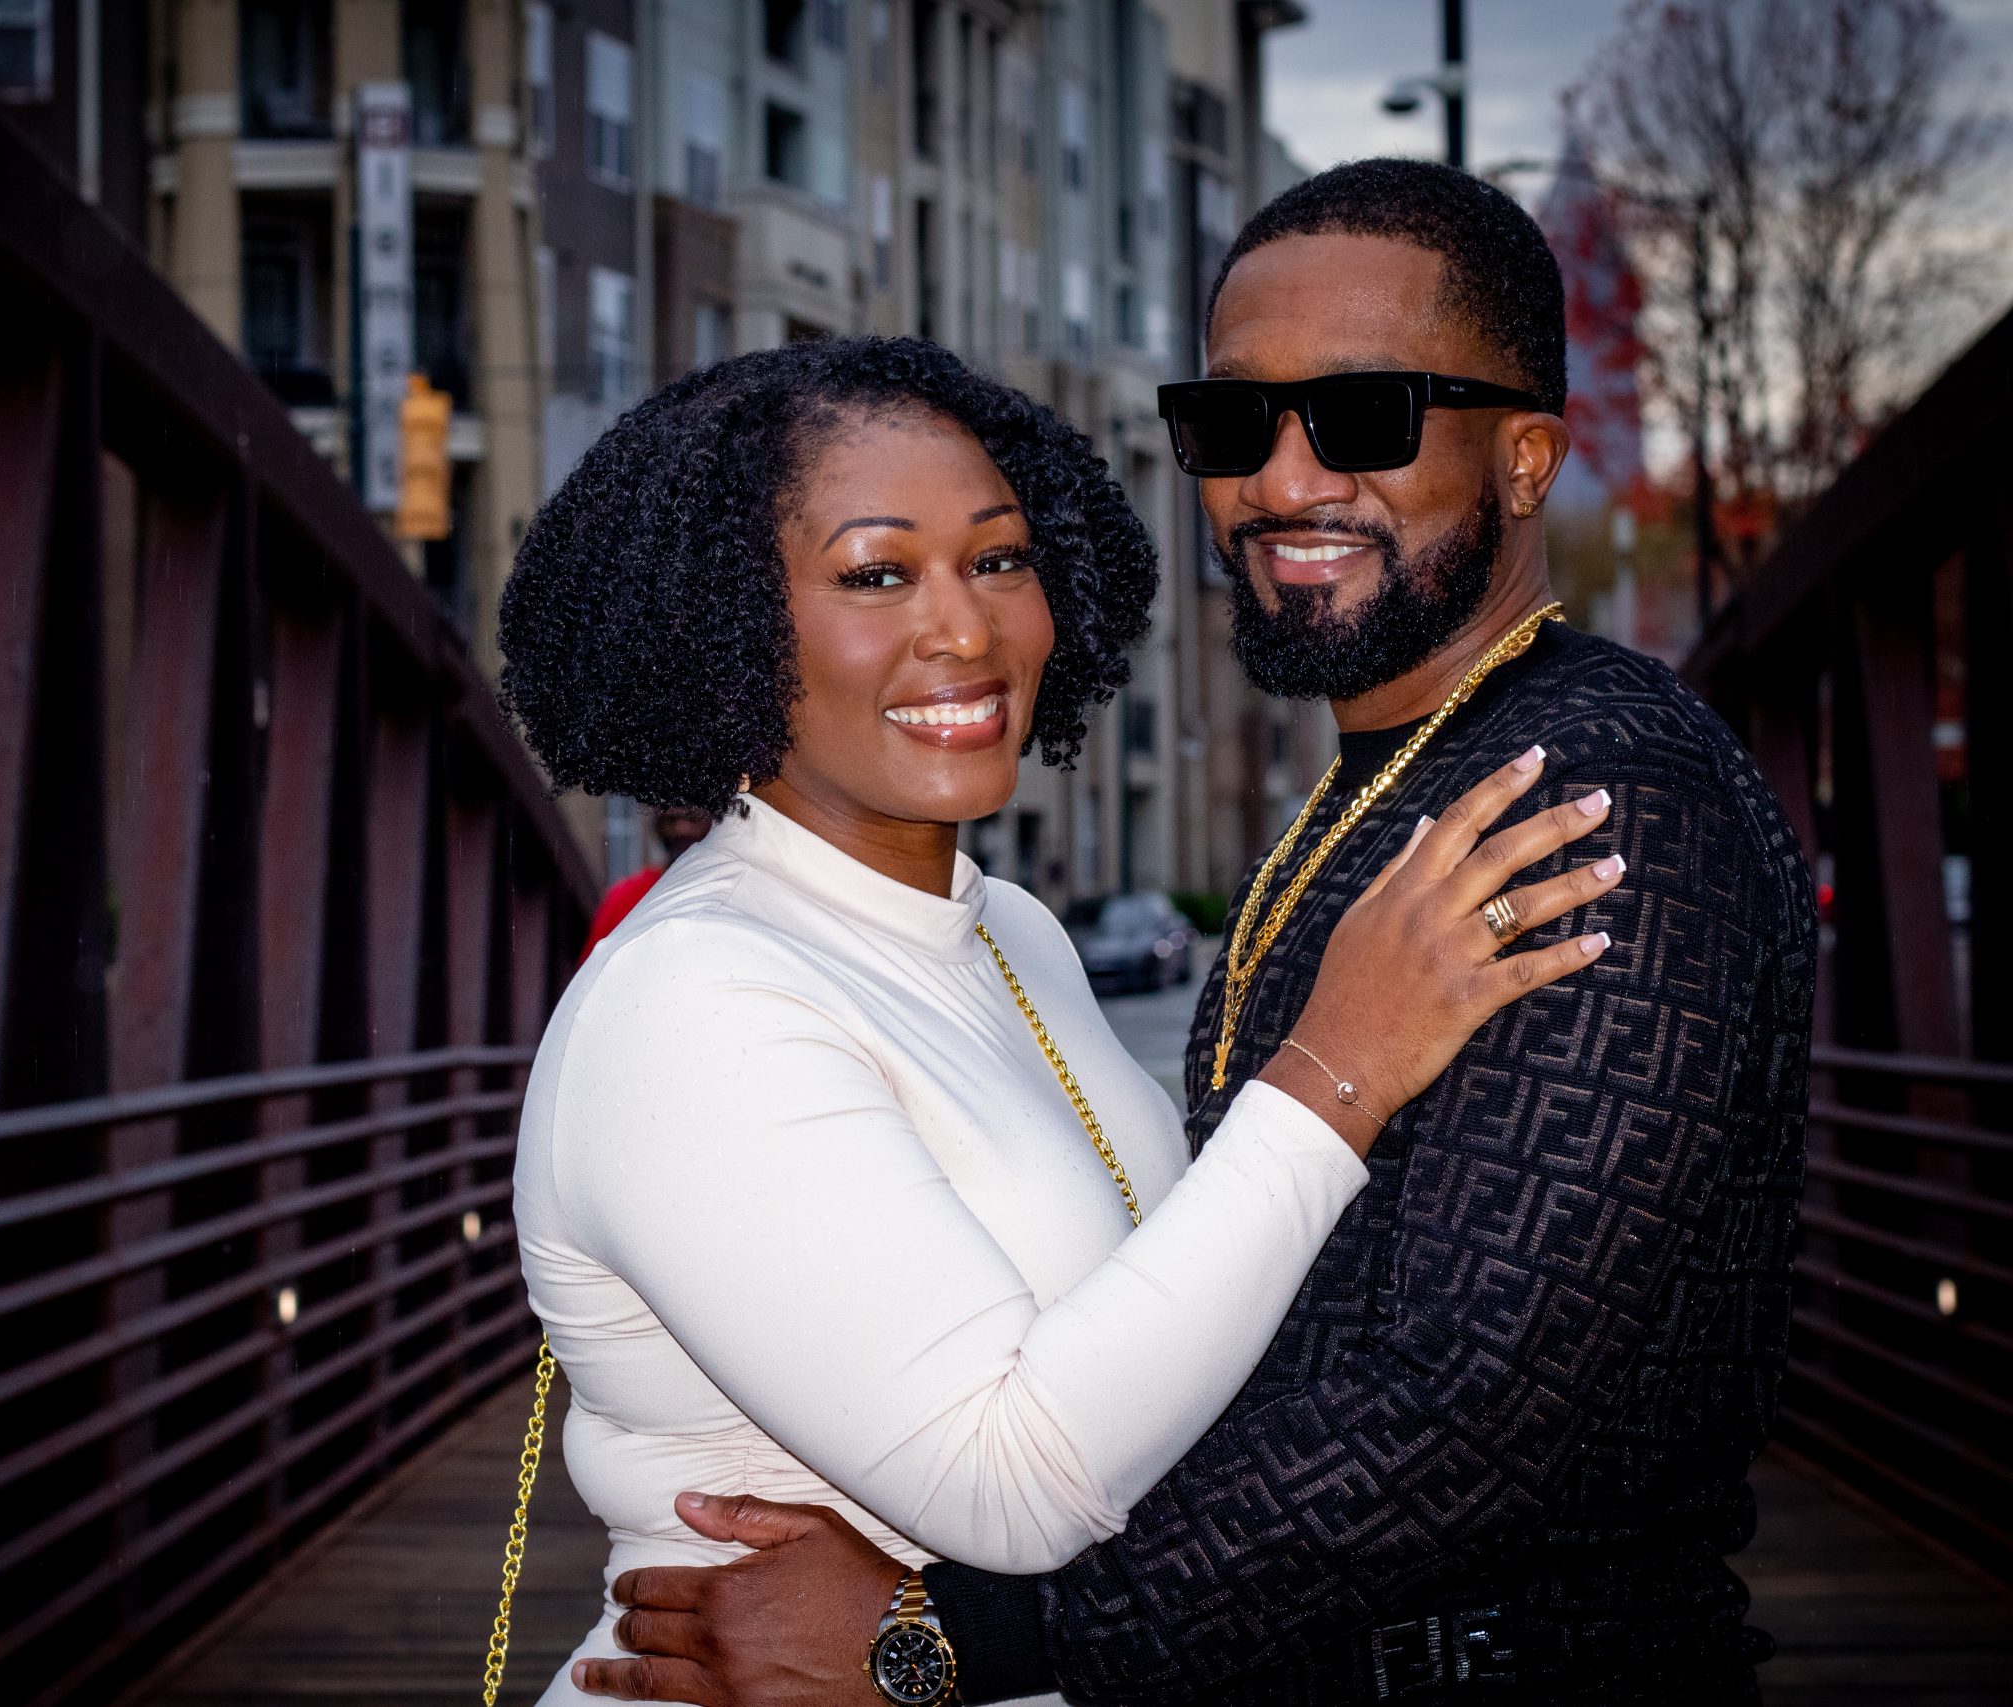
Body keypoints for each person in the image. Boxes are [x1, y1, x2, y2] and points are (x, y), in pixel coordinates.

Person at [577, 160, 1814, 1705]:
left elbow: (1469, 1400)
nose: (1282, 482)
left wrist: (953, 1634)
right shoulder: (1384, 788)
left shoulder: (1591, 793)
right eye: (1234, 424)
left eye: (1361, 415)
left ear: (1524, 457)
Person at [579, 806, 714, 964]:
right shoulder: (625, 895)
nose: (681, 829)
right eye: (672, 820)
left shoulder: (727, 893)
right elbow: (592, 966)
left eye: (693, 819)